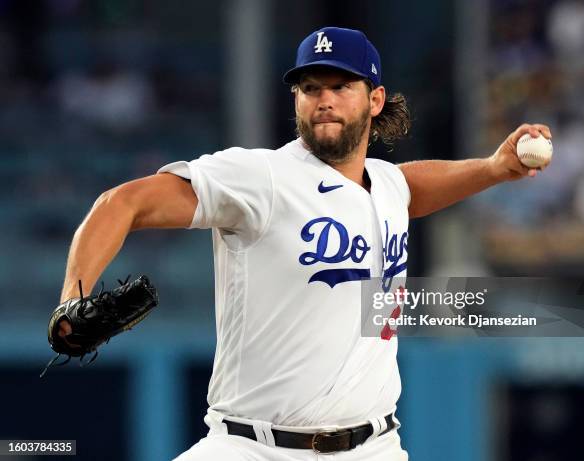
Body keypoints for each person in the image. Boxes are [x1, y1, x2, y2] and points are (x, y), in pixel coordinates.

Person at [53, 27, 551, 460]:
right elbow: (123, 203)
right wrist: (72, 299)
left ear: (375, 100)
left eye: (340, 86)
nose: (324, 99)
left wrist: (491, 169)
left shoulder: (386, 188)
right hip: (249, 447)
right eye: (310, 87)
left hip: (373, 447)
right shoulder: (261, 177)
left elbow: (408, 186)